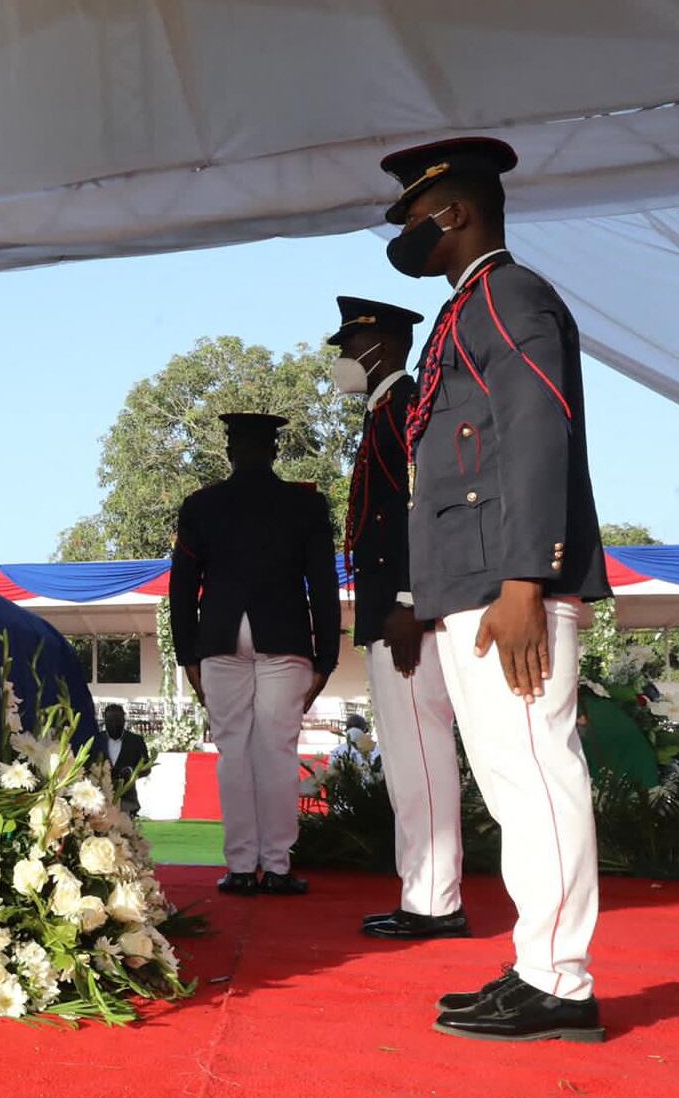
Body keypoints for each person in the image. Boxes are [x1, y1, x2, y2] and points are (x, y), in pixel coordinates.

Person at [380, 137, 610, 1042]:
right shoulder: (462, 310)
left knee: (537, 776)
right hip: (470, 584)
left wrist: (525, 579)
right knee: (514, 782)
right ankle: (535, 964)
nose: (400, 233)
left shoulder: (509, 295)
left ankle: (559, 981)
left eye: (410, 217)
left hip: (507, 584)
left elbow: (536, 433)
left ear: (455, 213)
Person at [329, 296, 468, 942]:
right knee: (407, 759)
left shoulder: (405, 407)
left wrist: (411, 601)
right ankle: (420, 891)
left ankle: (436, 902)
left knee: (419, 750)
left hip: (404, 611)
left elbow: (421, 507)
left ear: (379, 346)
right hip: (387, 609)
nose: (339, 360)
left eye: (346, 347)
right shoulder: (382, 410)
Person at [169, 412, 340, 897]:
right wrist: (326, 657)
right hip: (283, 634)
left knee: (233, 751)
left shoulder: (201, 505)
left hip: (220, 636)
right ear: (274, 451)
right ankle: (279, 867)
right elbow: (323, 586)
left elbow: (183, 588)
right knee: (278, 751)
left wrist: (188, 655)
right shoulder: (305, 504)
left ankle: (242, 867)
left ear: (230, 451)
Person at [98, 704, 149, 817]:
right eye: (110, 720)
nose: (114, 723)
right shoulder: (97, 741)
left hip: (128, 802)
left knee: (127, 834)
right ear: (104, 720)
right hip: (101, 801)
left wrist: (131, 772)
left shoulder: (136, 741)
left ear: (124, 720)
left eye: (118, 719)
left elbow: (146, 767)